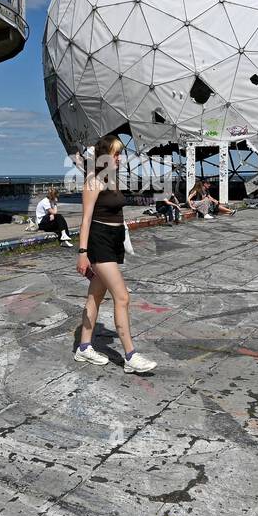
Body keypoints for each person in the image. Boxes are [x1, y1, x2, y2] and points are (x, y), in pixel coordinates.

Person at [74, 136, 157, 374]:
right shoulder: (93, 181)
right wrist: (82, 253)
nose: (119, 158)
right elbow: (86, 220)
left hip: (112, 241)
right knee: (122, 297)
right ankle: (130, 356)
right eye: (115, 154)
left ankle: (84, 347)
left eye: (120, 154)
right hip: (99, 243)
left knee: (95, 297)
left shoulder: (111, 178)